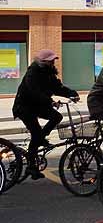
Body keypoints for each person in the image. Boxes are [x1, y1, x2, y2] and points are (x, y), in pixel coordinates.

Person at [12, 49, 79, 179]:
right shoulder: (33, 73)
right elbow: (34, 91)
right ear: (43, 62)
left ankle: (41, 138)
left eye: (53, 60)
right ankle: (31, 167)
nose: (53, 62)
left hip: (37, 106)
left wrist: (72, 93)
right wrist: (50, 101)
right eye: (51, 60)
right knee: (36, 133)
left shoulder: (49, 73)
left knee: (56, 117)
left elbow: (57, 87)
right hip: (24, 107)